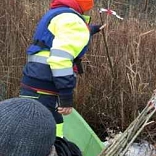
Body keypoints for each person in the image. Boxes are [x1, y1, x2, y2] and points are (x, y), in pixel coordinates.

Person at [19, 0, 105, 137]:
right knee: (49, 135)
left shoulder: (58, 13)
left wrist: (90, 30)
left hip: (32, 84)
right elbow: (60, 60)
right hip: (46, 88)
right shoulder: (73, 20)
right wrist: (66, 96)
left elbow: (57, 38)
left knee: (28, 133)